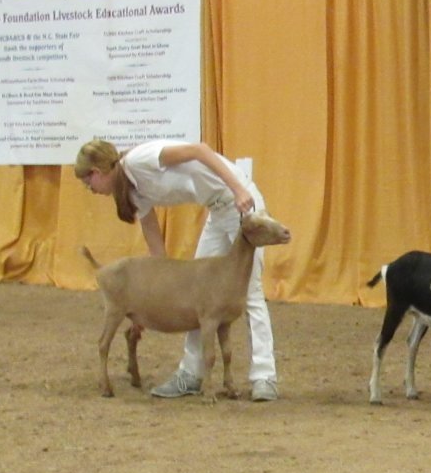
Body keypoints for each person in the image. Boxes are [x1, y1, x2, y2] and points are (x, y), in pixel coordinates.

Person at [74, 137, 281, 403]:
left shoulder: (141, 160)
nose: (88, 188)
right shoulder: (131, 189)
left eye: (87, 181)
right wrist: (150, 298)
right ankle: (191, 374)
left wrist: (239, 189)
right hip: (217, 210)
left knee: (249, 292)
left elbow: (199, 151)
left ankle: (264, 377)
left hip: (239, 202)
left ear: (98, 172)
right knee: (198, 296)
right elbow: (153, 238)